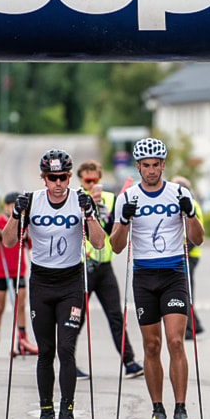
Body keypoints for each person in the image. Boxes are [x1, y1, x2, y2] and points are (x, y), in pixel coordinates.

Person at [2, 149, 105, 419]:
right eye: (52, 178)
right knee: (45, 351)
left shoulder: (79, 200)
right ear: (43, 178)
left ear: (70, 177)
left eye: (63, 177)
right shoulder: (32, 201)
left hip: (71, 283)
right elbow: (9, 242)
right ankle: (46, 412)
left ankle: (67, 412)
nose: (58, 183)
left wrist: (90, 215)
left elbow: (99, 243)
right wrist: (15, 214)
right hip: (42, 284)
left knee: (66, 348)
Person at [110, 138, 203, 419]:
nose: (151, 171)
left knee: (176, 341)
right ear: (138, 167)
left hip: (174, 273)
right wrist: (124, 220)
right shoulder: (127, 197)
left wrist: (189, 213)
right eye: (146, 166)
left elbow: (198, 239)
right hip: (144, 277)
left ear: (164, 165)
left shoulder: (179, 192)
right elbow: (116, 246)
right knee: (152, 346)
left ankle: (180, 408)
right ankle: (158, 409)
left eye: (156, 165)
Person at [75, 159, 143, 379]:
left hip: (104, 267)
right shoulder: (75, 198)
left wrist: (106, 215)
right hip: (83, 265)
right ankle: (69, 362)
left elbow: (112, 229)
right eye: (87, 179)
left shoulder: (111, 198)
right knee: (76, 317)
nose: (91, 183)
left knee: (115, 315)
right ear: (80, 180)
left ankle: (130, 361)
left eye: (95, 179)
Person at [0, 192, 37, 358]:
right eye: (11, 205)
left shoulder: (24, 222)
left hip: (19, 270)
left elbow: (33, 242)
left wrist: (26, 237)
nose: (13, 209)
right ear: (5, 206)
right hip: (1, 272)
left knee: (20, 305)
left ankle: (23, 340)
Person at [171, 176, 204, 340]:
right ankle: (195, 325)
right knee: (184, 290)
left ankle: (190, 328)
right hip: (183, 253)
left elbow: (195, 231)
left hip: (188, 255)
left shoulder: (191, 205)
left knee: (186, 291)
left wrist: (183, 251)